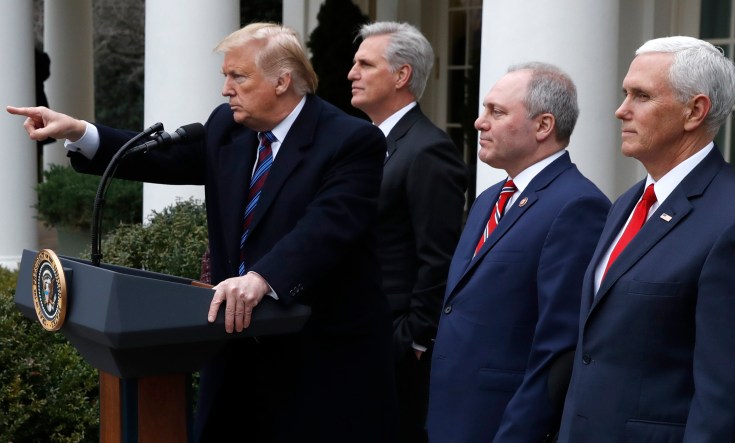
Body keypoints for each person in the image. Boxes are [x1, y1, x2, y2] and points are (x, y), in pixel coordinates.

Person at [8, 23, 398, 443]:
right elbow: (163, 158)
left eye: (238, 77)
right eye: (224, 77)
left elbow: (328, 227)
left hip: (319, 360)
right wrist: (79, 132)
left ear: (282, 80)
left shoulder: (351, 140)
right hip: (231, 352)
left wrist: (262, 279)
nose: (226, 89)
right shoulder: (228, 127)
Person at [558, 36, 735, 443]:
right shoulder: (628, 204)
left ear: (695, 110)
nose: (621, 110)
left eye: (641, 96)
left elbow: (726, 400)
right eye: (625, 94)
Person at [426, 62, 610, 443]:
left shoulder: (577, 205)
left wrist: (519, 432)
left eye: (497, 112)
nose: (480, 122)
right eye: (484, 109)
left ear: (543, 126)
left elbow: (558, 345)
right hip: (451, 416)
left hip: (502, 424)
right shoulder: (489, 199)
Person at [348, 21, 467, 443]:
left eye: (365, 64)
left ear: (401, 76)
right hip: (354, 338)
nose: (351, 73)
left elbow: (439, 255)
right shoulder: (364, 141)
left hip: (394, 346)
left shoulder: (428, 149)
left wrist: (414, 338)